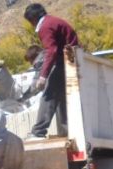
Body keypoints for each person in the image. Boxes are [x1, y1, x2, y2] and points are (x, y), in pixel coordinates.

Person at [23, 3, 79, 139]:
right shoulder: (52, 21)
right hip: (72, 60)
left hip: (65, 61)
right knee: (61, 99)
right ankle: (68, 131)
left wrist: (43, 76)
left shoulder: (45, 26)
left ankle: (38, 132)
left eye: (30, 21)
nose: (31, 25)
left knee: (48, 95)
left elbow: (51, 51)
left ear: (34, 19)